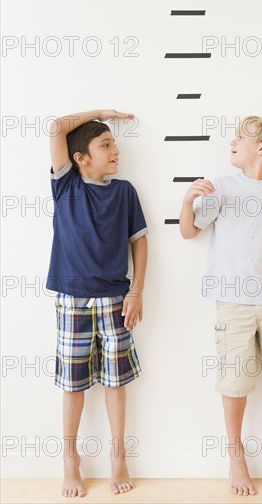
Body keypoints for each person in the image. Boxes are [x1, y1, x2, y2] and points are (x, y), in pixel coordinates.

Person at [179, 116, 262, 496]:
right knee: (234, 382)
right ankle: (235, 455)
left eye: (241, 136)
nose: (232, 141)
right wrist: (188, 199)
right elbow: (189, 231)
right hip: (232, 304)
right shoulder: (220, 187)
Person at [46, 109, 148, 497]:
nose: (115, 150)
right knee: (73, 385)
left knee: (115, 381)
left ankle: (118, 455)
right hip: (72, 299)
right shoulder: (66, 186)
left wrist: (136, 290)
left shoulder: (124, 192)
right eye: (106, 144)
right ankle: (70, 459)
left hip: (116, 300)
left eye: (115, 143)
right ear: (80, 158)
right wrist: (103, 114)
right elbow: (56, 127)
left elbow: (139, 240)